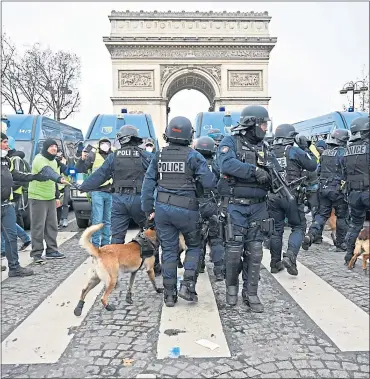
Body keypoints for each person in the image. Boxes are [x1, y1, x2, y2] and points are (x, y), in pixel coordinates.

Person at [141, 116, 216, 307]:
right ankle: (188, 286)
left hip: (163, 210)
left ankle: (169, 295)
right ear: (190, 135)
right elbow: (209, 183)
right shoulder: (194, 156)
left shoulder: (158, 155)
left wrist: (148, 209)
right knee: (194, 246)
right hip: (187, 210)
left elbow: (148, 184)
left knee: (168, 251)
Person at [76, 126, 161, 274]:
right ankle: (156, 266)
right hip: (139, 200)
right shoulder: (145, 156)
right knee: (149, 233)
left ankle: (115, 267)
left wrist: (84, 186)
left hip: (119, 200)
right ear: (136, 139)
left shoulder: (114, 156)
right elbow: (158, 176)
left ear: (121, 140)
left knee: (117, 235)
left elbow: (100, 175)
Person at [217, 105, 274, 312]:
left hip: (259, 207)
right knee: (233, 251)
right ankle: (231, 290)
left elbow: (274, 171)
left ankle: (251, 293)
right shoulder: (230, 142)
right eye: (263, 124)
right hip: (236, 205)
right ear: (252, 124)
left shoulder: (266, 147)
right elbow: (226, 165)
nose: (266, 128)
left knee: (255, 251)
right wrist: (254, 171)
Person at [1, 133, 56, 276]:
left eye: (7, 142)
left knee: (11, 237)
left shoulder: (6, 160)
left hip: (6, 205)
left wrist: (35, 177)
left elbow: (17, 175)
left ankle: (14, 268)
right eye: (5, 142)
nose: (7, 145)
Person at [302, 129, 350, 252]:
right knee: (342, 216)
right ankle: (340, 244)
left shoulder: (325, 154)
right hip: (338, 190)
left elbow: (318, 171)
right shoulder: (344, 153)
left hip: (323, 188)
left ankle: (311, 235)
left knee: (321, 215)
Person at [28, 139, 69, 264]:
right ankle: (36, 253)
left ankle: (52, 250)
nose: (54, 148)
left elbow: (54, 181)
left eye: (55, 147)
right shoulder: (39, 159)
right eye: (51, 146)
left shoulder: (54, 161)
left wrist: (57, 197)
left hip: (50, 197)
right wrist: (59, 178)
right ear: (45, 148)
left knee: (52, 225)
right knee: (38, 226)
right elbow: (48, 172)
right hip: (37, 197)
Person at [194, 136, 225, 280]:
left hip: (197, 204)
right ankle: (219, 270)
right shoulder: (218, 164)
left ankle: (199, 265)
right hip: (213, 204)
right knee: (216, 238)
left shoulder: (193, 163)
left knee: (198, 237)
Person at [75, 138, 113, 246]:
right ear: (99, 145)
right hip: (97, 191)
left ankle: (106, 245)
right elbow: (80, 169)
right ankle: (95, 246)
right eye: (103, 144)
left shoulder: (113, 154)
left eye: (107, 144)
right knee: (97, 220)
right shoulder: (93, 155)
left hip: (110, 192)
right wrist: (82, 159)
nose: (105, 145)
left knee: (108, 221)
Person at [343, 116, 370, 264]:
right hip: (367, 191)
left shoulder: (347, 150)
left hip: (353, 194)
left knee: (355, 225)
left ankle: (349, 255)